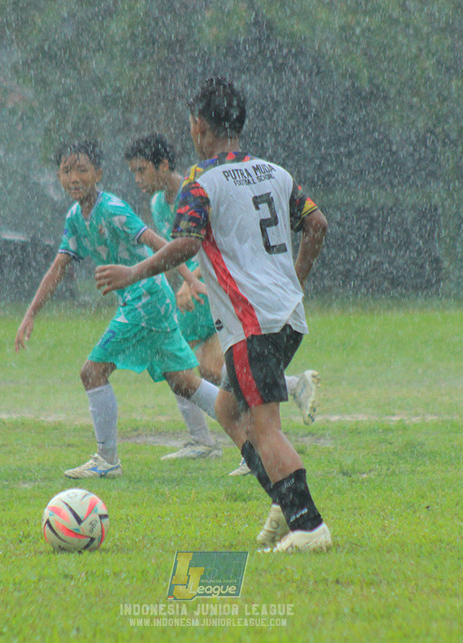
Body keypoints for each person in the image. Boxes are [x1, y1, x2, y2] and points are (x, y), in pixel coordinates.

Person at [97, 78, 331, 553]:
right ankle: (288, 508)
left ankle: (308, 526)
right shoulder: (275, 172)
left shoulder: (198, 181)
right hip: (286, 317)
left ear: (198, 126)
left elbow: (185, 244)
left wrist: (133, 272)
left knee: (265, 427)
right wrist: (296, 281)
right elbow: (317, 224)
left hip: (251, 325)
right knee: (227, 408)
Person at [14, 140, 221, 479]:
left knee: (92, 372)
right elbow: (58, 267)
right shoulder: (74, 217)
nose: (73, 177)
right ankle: (242, 432)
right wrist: (31, 313)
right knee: (183, 380)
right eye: (66, 171)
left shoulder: (111, 209)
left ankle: (106, 460)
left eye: (82, 169)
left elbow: (157, 241)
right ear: (58, 176)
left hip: (145, 299)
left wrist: (189, 278)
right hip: (147, 299)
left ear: (98, 173)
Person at [124, 133, 321, 469]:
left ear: (164, 164)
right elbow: (186, 247)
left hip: (219, 293)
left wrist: (191, 280)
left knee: (216, 370)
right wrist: (185, 283)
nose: (138, 180)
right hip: (197, 294)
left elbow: (213, 241)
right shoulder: (159, 202)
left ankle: (278, 412)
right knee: (182, 366)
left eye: (142, 171)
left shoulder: (199, 184)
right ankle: (206, 440)